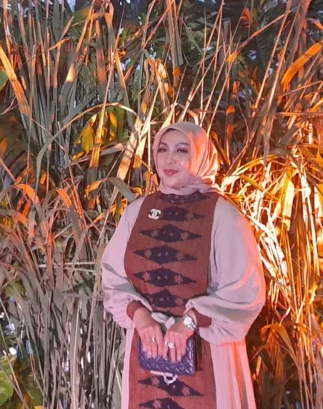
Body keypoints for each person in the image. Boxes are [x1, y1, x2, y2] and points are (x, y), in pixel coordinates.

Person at [101, 121, 266, 408]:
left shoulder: (224, 217)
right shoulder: (137, 212)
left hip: (209, 354)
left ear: (201, 155)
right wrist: (141, 318)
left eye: (181, 150)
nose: (169, 159)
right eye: (162, 150)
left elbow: (245, 292)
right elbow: (114, 279)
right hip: (147, 357)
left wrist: (189, 322)